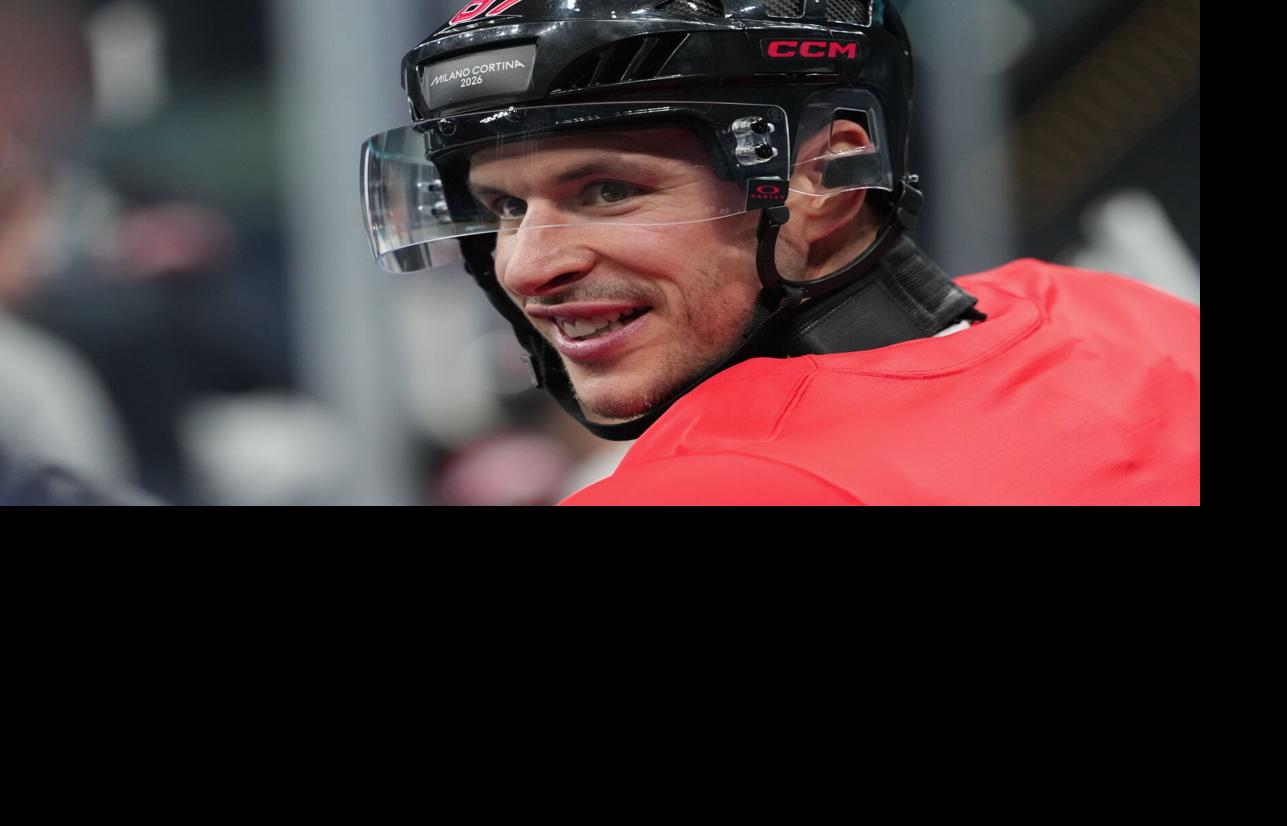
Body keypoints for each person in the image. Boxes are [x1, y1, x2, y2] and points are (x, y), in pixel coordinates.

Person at [361, 0, 1199, 505]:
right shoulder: (1126, 316)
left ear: (827, 177)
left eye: (607, 191)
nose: (525, 267)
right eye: (504, 207)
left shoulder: (718, 485)